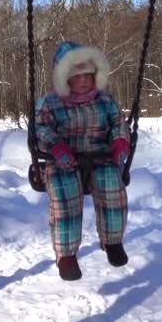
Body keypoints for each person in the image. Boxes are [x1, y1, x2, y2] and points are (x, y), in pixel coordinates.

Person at [35, 41, 131, 281]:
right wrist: (56, 147)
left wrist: (119, 142)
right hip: (62, 160)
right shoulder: (50, 103)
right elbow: (40, 129)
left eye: (88, 75)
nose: (83, 81)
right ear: (64, 78)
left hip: (100, 157)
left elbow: (118, 124)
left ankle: (112, 241)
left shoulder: (105, 101)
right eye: (76, 76)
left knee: (113, 189)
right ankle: (66, 256)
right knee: (64, 198)